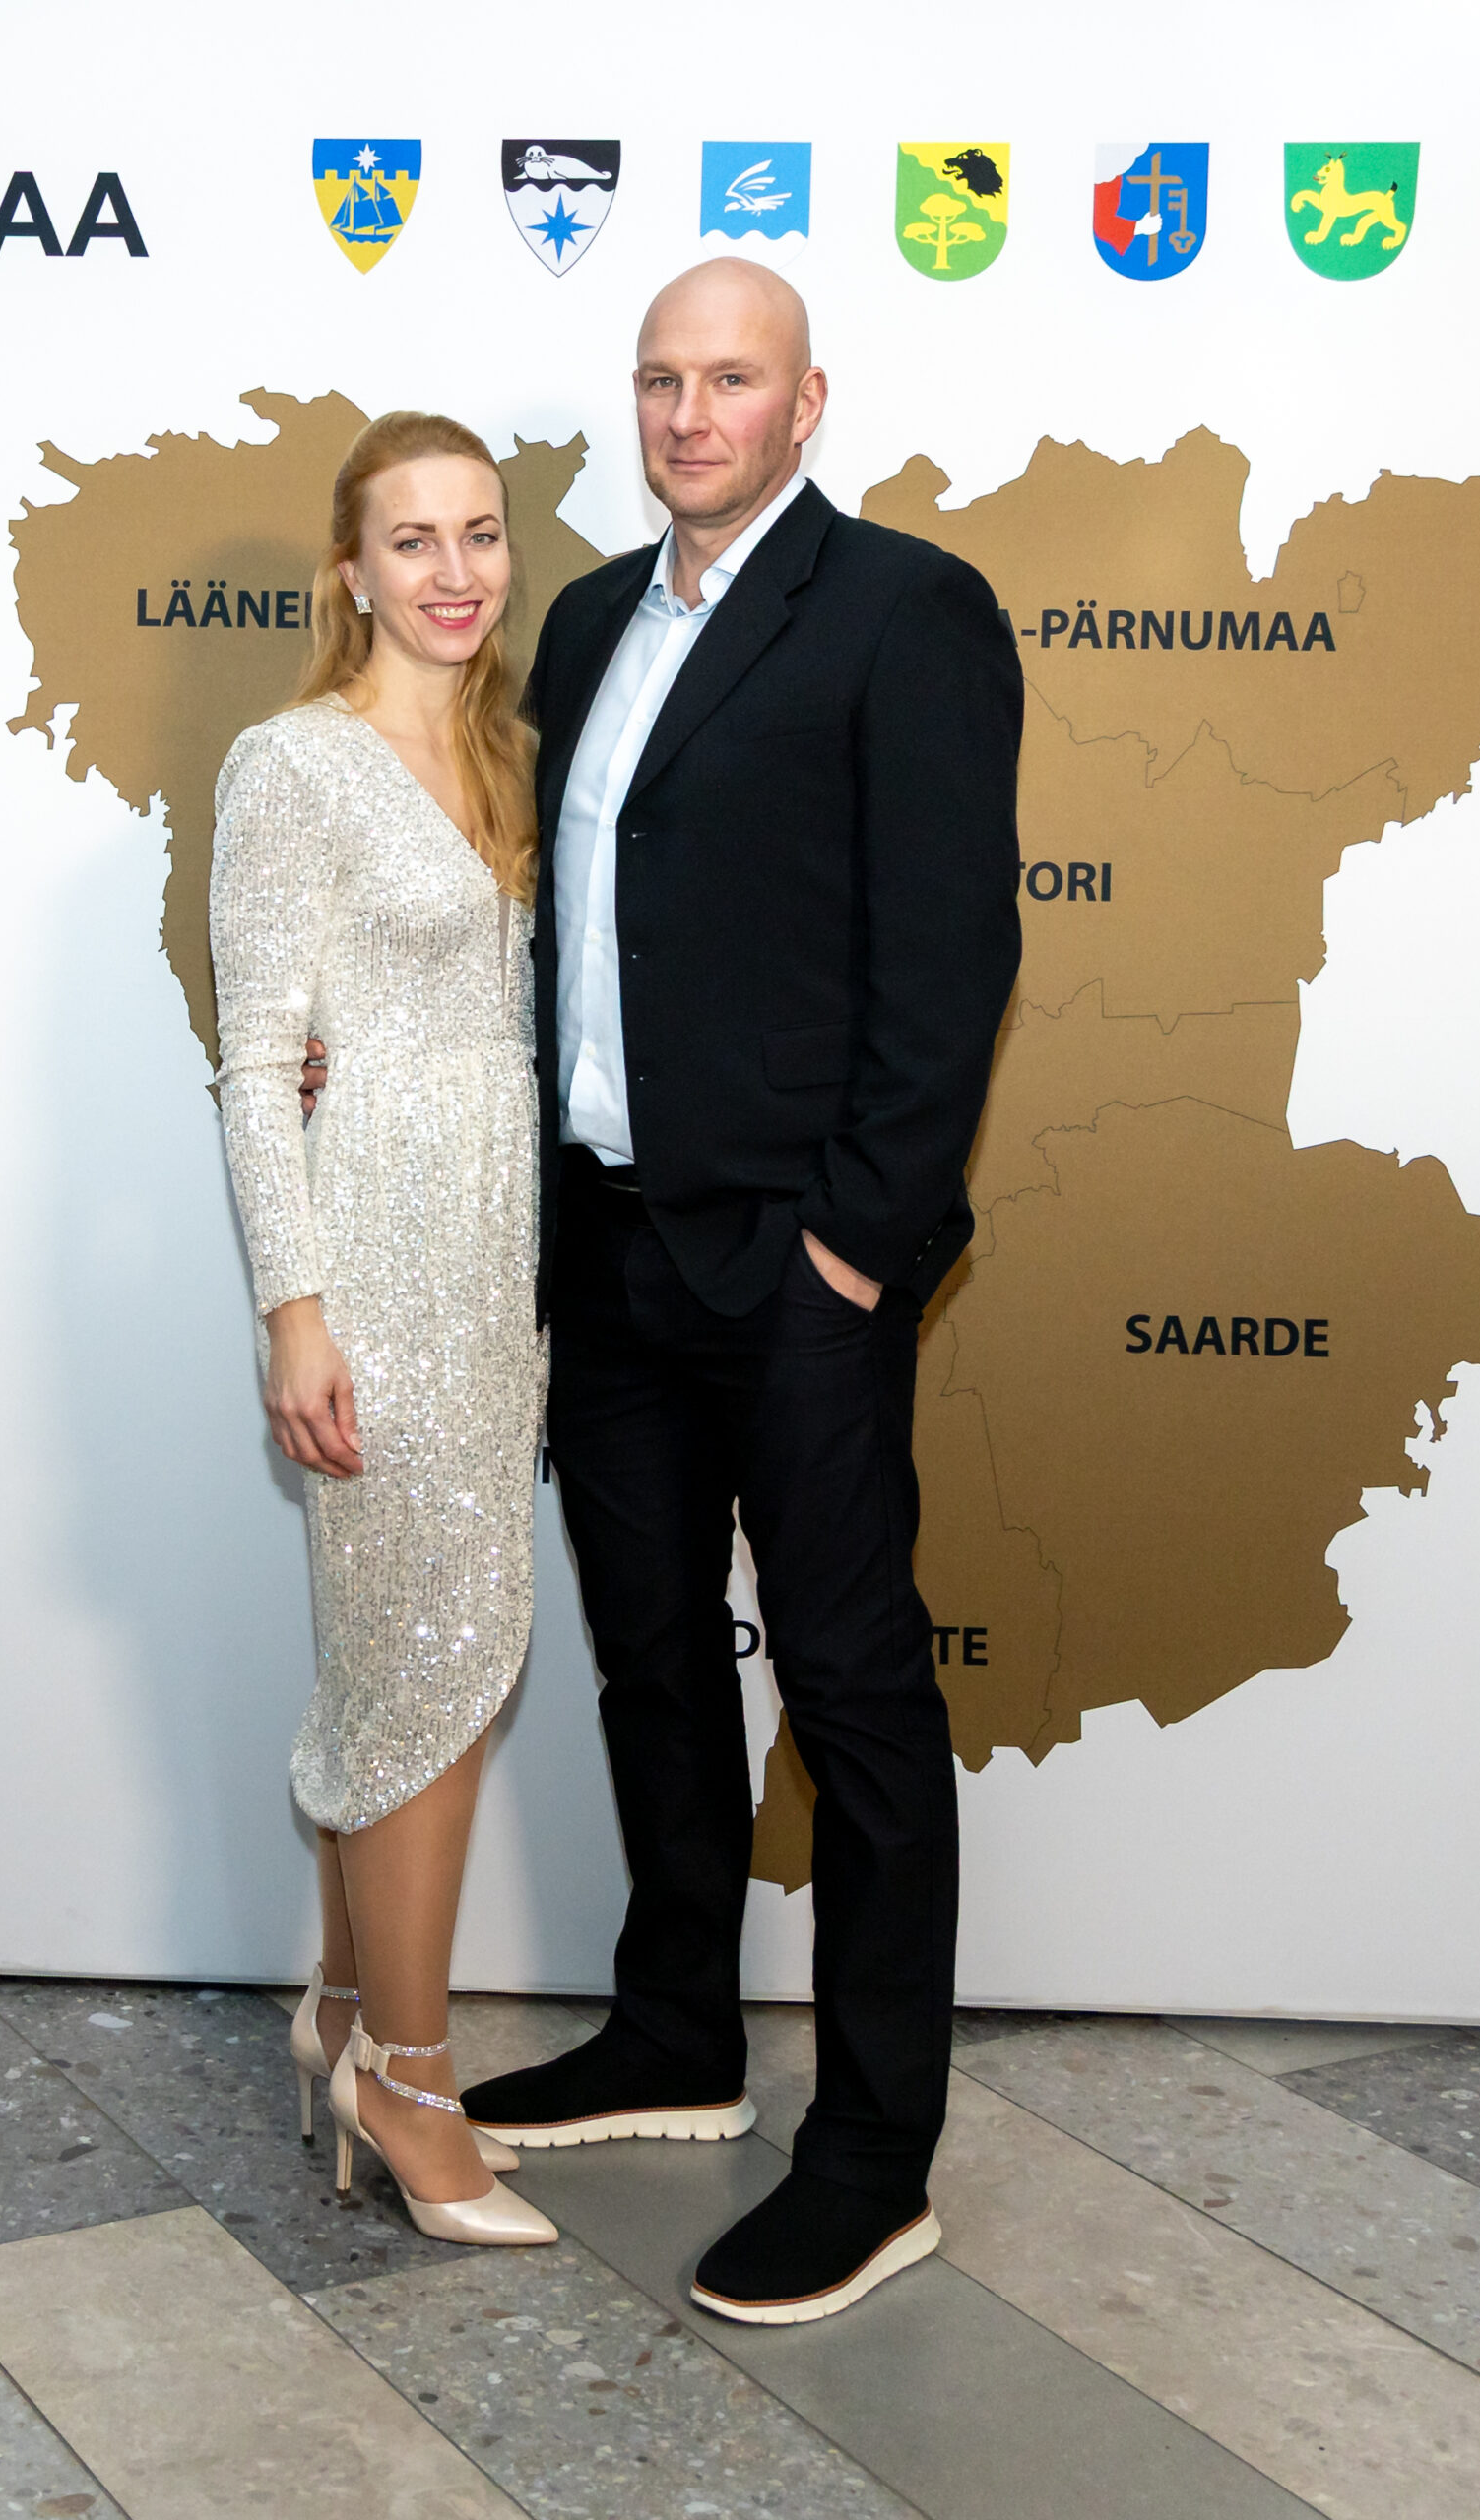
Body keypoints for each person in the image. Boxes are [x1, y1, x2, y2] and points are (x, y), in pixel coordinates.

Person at [451, 257, 1023, 2321]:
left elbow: (951, 952)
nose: (689, 415)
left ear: (806, 402)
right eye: (660, 379)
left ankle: (871, 2156)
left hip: (795, 1259)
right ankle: (676, 2027)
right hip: (609, 1248)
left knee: (853, 1695)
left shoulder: (903, 611)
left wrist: (857, 1235)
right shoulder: (590, 619)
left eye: (731, 379)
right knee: (652, 1659)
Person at [210, 410, 557, 2248]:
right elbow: (256, 1060)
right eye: (409, 540)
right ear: (348, 570)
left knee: (423, 1664)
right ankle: (411, 2088)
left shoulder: (507, 753)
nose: (451, 571)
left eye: (478, 535)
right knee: (424, 1673)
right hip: (376, 1272)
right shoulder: (292, 765)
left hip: (496, 1270)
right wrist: (296, 1313)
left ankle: (344, 2016)